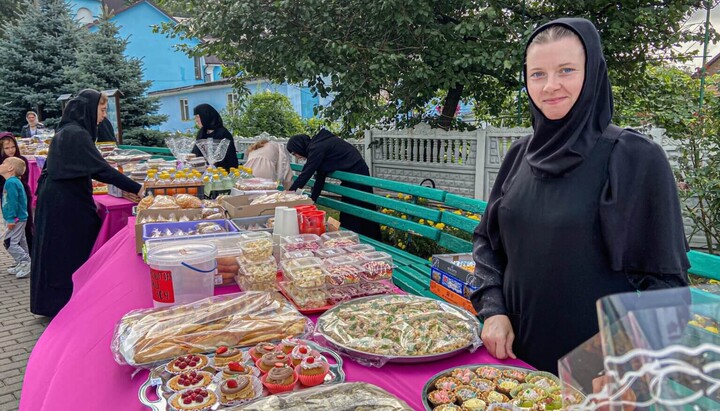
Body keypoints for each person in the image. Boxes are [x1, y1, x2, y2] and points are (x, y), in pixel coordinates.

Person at [469, 18, 689, 374]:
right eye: (537, 74)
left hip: (598, 371)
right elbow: (487, 243)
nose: (550, 86)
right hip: (513, 357)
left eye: (566, 70)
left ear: (593, 74)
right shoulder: (519, 156)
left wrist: (625, 364)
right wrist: (493, 311)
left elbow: (666, 285)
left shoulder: (633, 157)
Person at [30, 89, 143, 317]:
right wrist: (137, 187)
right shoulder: (75, 134)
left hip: (60, 197)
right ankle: (65, 302)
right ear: (88, 110)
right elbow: (100, 169)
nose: (103, 116)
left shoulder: (69, 130)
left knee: (60, 251)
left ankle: (60, 300)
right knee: (67, 251)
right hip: (65, 202)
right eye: (101, 110)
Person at [287, 130, 382, 240]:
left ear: (299, 146)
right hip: (353, 175)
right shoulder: (318, 145)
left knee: (357, 209)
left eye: (294, 153)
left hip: (357, 175)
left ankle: (360, 239)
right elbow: (320, 176)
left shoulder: (317, 147)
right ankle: (357, 238)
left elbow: (306, 174)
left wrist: (289, 194)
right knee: (352, 211)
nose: (297, 156)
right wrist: (312, 201)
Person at [0, 133, 33, 252]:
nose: (10, 150)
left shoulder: (21, 161)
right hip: (6, 196)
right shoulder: (2, 164)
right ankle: (22, 261)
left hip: (21, 196)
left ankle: (28, 257)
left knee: (25, 227)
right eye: (7, 148)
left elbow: (23, 179)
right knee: (14, 231)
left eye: (13, 147)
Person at [0, 157, 30, 278]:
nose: (1, 165)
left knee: (9, 242)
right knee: (20, 241)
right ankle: (21, 262)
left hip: (16, 219)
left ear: (10, 168)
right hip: (19, 218)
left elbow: (13, 202)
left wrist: (11, 219)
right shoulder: (13, 181)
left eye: (3, 163)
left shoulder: (11, 183)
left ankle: (25, 262)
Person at [190, 104, 238, 170]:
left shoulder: (223, 133)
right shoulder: (202, 132)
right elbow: (196, 153)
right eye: (195, 117)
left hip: (221, 172)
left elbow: (229, 159)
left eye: (198, 117)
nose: (196, 120)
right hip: (202, 170)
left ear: (206, 116)